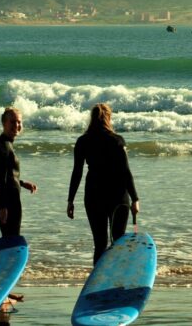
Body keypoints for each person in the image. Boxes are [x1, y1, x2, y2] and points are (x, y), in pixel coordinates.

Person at [67, 103, 140, 264]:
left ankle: (97, 283)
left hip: (94, 196)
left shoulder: (82, 142)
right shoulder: (117, 141)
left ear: (92, 119)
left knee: (99, 244)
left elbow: (77, 173)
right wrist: (135, 199)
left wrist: (70, 200)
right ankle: (114, 282)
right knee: (117, 242)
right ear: (108, 118)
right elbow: (126, 172)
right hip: (118, 197)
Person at [0, 107, 37, 237]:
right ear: (4, 123)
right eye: (12, 122)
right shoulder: (1, 144)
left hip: (8, 199)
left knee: (9, 240)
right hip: (7, 201)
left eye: (19, 122)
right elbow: (0, 176)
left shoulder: (6, 144)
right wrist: (4, 206)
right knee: (11, 241)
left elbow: (8, 173)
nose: (16, 125)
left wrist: (21, 183)